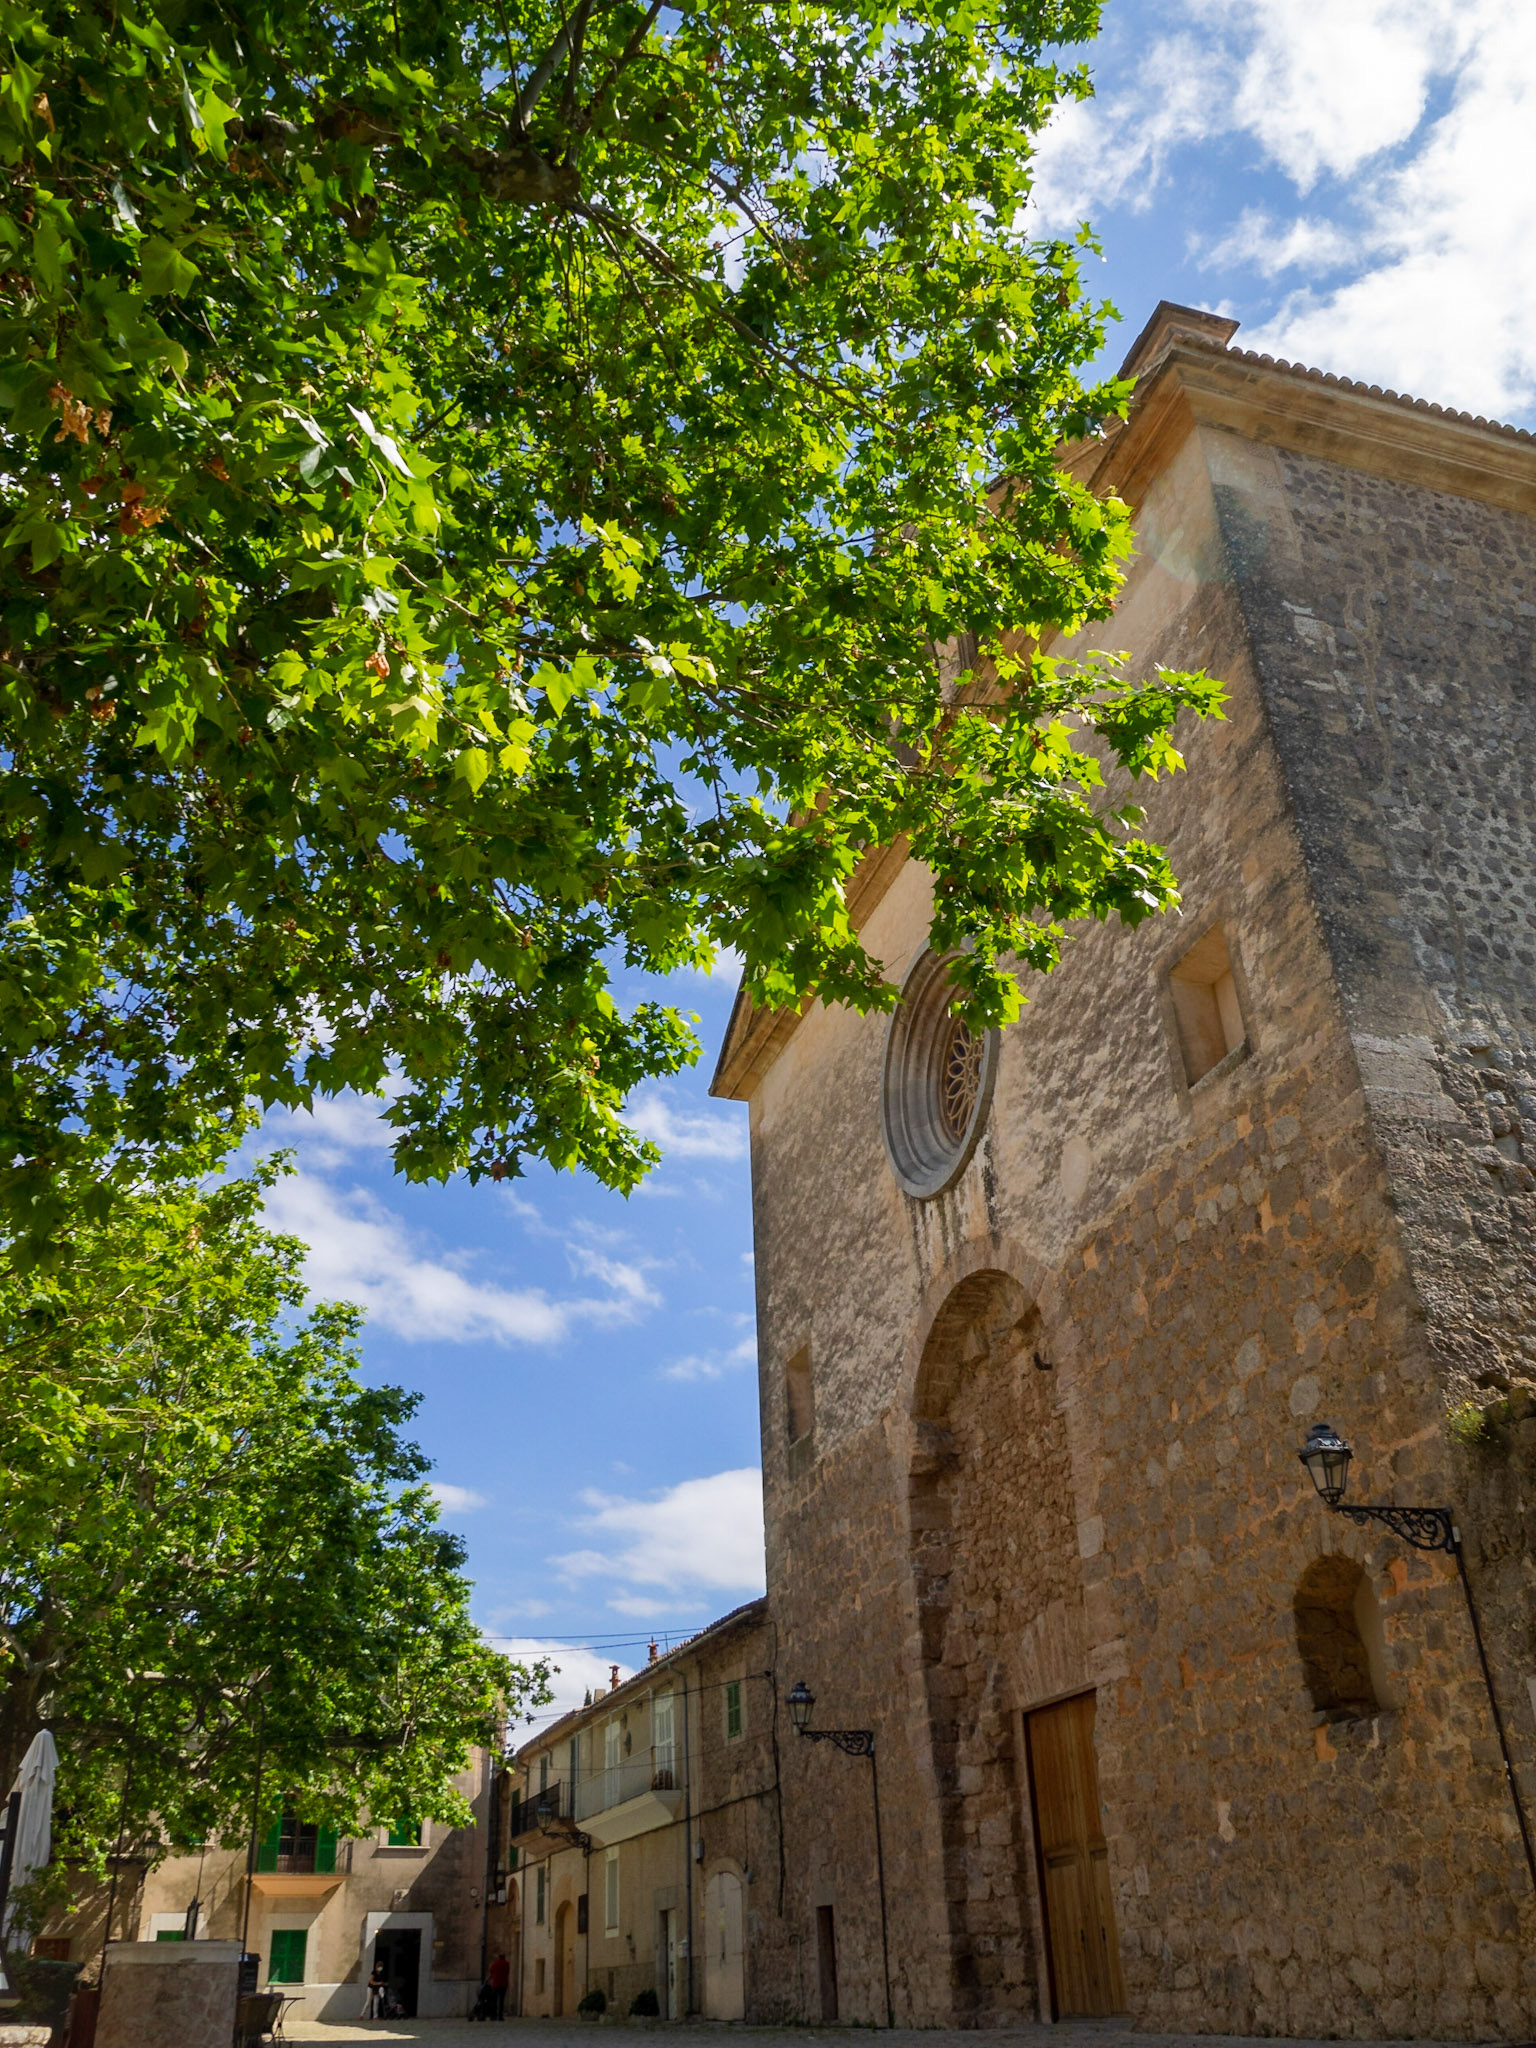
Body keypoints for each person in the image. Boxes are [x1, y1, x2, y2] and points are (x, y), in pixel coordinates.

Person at [488, 1950, 511, 2020]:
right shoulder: (506, 1963)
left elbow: (491, 1973)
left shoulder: (495, 1963)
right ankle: (500, 2016)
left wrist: (488, 1980)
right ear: (504, 1957)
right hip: (504, 1984)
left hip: (496, 1984)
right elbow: (507, 1972)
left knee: (494, 2000)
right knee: (501, 2000)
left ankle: (493, 2015)